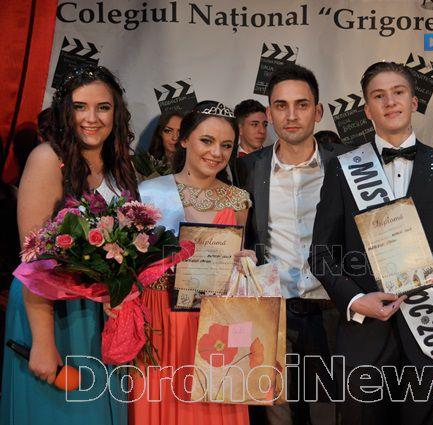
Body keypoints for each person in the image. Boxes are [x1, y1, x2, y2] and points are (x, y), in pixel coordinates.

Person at [308, 61, 433, 425]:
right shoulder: (343, 168)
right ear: (367, 109)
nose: (390, 102)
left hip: (430, 335)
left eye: (398, 92)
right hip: (363, 338)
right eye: (378, 96)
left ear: (414, 101)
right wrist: (355, 300)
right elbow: (321, 254)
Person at [1, 65, 137, 424]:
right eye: (80, 107)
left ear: (116, 112)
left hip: (96, 316)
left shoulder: (119, 163)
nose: (91, 118)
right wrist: (43, 342)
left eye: (103, 107)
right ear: (65, 111)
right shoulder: (47, 159)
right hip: (51, 314)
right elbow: (34, 261)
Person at [239, 64, 350, 425]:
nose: (291, 115)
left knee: (332, 412)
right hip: (274, 310)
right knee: (279, 415)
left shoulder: (348, 164)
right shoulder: (248, 168)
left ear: (318, 111)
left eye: (301, 105)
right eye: (281, 106)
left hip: (333, 307)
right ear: (269, 113)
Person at [133, 101, 251, 425]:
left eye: (226, 145)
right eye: (207, 141)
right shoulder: (148, 193)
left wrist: (245, 264)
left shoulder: (238, 200)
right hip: (158, 316)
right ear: (184, 140)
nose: (216, 152)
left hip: (213, 322)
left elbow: (234, 264)